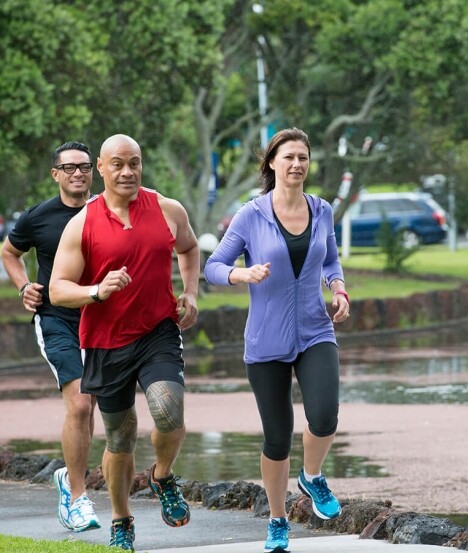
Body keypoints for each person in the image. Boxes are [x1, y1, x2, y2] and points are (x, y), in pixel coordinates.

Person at [49, 133, 200, 552]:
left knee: (168, 411)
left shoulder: (167, 209)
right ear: (101, 168)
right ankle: (121, 520)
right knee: (120, 438)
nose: (127, 171)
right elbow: (58, 289)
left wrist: (190, 292)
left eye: (134, 162)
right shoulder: (83, 223)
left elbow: (189, 248)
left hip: (158, 331)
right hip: (106, 342)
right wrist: (97, 290)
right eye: (117, 164)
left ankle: (162, 476)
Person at [204, 127, 350, 553]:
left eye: (303, 157)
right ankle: (277, 519)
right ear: (272, 162)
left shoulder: (322, 210)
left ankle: (312, 476)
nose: (296, 164)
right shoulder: (251, 215)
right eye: (288, 157)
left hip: (315, 329)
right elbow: (213, 267)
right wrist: (241, 274)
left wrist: (339, 288)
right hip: (266, 339)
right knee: (277, 437)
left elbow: (331, 260)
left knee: (324, 415)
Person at [0, 141, 100, 533]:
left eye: (85, 167)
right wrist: (23, 286)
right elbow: (10, 252)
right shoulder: (38, 217)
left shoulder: (106, 210)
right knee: (80, 404)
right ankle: (77, 497)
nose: (78, 173)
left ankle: (71, 478)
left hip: (102, 320)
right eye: (69, 167)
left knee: (91, 407)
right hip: (57, 319)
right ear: (55, 174)